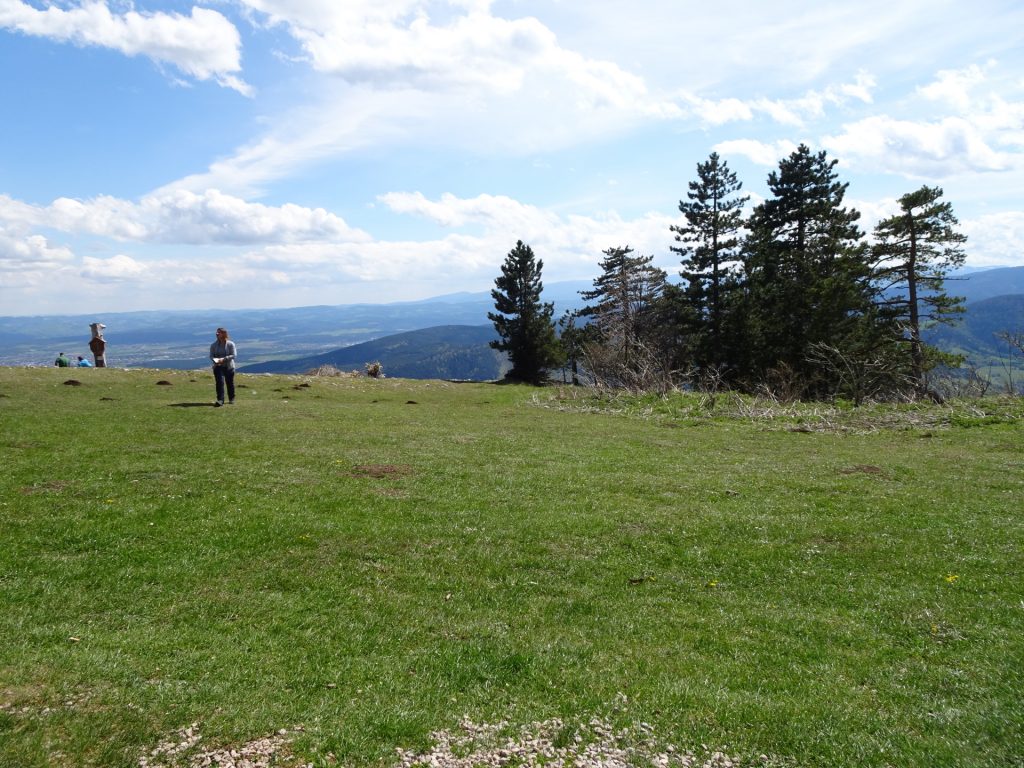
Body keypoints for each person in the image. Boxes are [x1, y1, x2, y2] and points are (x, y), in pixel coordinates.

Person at [209, 327, 237, 406]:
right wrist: (216, 361)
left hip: (229, 366)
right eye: (217, 333)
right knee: (219, 383)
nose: (217, 334)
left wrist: (224, 359)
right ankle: (220, 400)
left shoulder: (231, 344)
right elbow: (211, 356)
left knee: (229, 383)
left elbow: (234, 355)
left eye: (219, 332)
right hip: (218, 366)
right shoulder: (213, 345)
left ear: (224, 334)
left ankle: (231, 398)